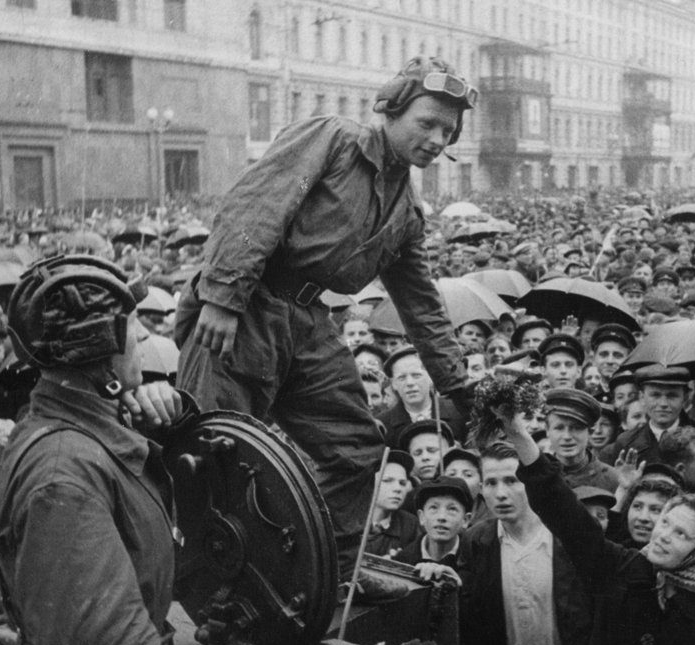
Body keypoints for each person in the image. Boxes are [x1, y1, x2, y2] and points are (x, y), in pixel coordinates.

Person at [176, 56, 476, 573]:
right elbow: (254, 206)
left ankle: (315, 571)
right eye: (427, 122)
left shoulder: (406, 211)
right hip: (246, 307)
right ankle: (202, 582)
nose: (436, 139)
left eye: (448, 131)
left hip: (309, 321)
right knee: (208, 452)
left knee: (359, 450)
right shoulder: (333, 138)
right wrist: (223, 297)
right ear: (393, 108)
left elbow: (421, 303)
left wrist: (457, 384)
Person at [0, 255, 197, 645]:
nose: (143, 336)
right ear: (100, 353)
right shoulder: (64, 473)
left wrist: (152, 417)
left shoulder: (74, 425)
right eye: (133, 327)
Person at [498, 400, 695, 645]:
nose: (664, 535)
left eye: (681, 533)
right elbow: (569, 519)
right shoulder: (626, 569)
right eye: (665, 523)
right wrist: (519, 436)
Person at [457, 442, 589, 645]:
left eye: (512, 480)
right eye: (491, 483)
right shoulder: (476, 541)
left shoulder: (565, 535)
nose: (501, 493)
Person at [600, 364, 690, 465]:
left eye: (672, 395)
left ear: (685, 399)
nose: (663, 404)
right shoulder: (626, 442)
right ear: (642, 398)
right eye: (655, 395)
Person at [543, 387, 619, 493]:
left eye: (576, 428)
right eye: (559, 428)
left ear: (590, 431)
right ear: (547, 430)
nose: (567, 436)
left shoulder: (613, 479)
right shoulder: (537, 477)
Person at [393, 476, 472, 573]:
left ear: (465, 520)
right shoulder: (402, 561)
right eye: (434, 508)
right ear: (421, 517)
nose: (441, 517)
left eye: (452, 509)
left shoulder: (476, 560)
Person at [365, 450, 419, 557]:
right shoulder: (349, 520)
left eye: (402, 483)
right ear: (369, 483)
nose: (398, 488)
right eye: (387, 480)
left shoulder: (410, 525)